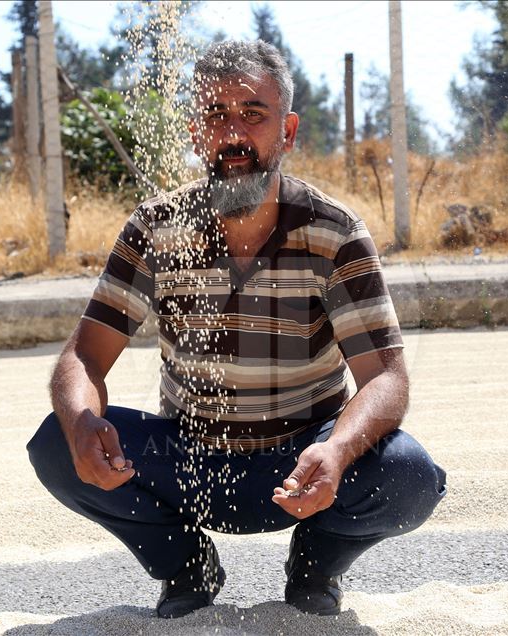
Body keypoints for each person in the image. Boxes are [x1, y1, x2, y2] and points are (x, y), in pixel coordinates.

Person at [27, 40, 447, 619]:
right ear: (195, 130)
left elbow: (386, 379)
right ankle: (186, 566)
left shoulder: (333, 234)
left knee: (410, 476)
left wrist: (338, 450)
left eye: (253, 115)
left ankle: (316, 564)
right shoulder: (156, 228)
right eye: (215, 115)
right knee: (56, 442)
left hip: (304, 462)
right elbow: (85, 357)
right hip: (191, 461)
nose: (233, 133)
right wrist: (81, 423)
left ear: (288, 130)